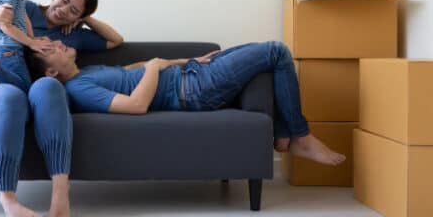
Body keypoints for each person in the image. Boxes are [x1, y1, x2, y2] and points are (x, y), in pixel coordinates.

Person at [19, 40, 346, 165]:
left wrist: (186, 59)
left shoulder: (86, 71)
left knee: (260, 50)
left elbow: (134, 69)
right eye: (50, 50)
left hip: (190, 74)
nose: (59, 45)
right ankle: (298, 135)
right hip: (192, 91)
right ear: (50, 71)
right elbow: (136, 105)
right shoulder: (78, 89)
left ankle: (285, 133)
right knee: (276, 51)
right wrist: (155, 66)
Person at [0, 0, 123, 217]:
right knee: (10, 97)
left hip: (41, 90)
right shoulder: (25, 8)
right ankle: (8, 198)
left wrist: (86, 19)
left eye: (73, 10)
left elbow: (116, 40)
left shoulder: (72, 34)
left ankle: (60, 192)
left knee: (48, 86)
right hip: (2, 77)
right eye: (64, 1)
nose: (64, 10)